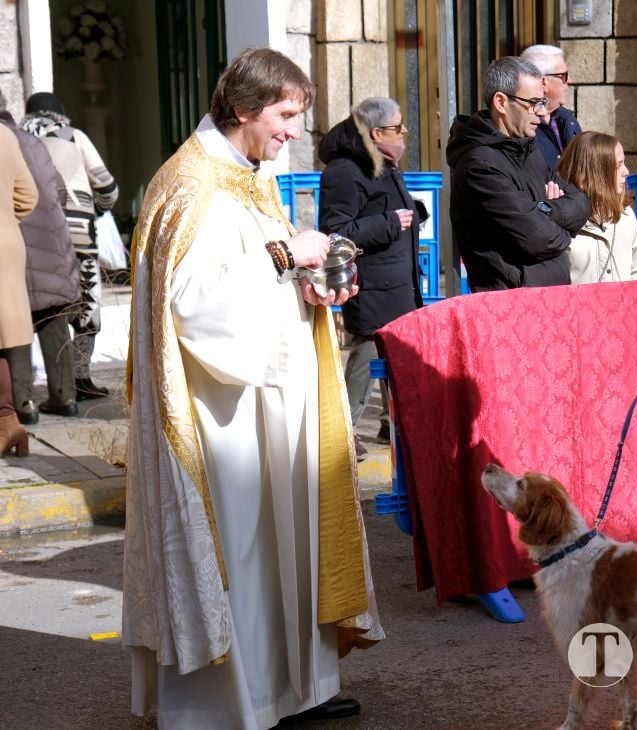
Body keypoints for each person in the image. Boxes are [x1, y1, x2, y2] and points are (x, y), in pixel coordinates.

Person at [122, 48, 384, 728]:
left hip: (274, 405)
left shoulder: (247, 172)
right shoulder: (190, 184)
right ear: (244, 109)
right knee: (242, 552)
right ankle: (233, 704)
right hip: (223, 416)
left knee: (285, 550)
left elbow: (263, 273)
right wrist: (281, 255)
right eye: (286, 115)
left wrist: (313, 281)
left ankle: (297, 689)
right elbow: (193, 308)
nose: (295, 131)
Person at [318, 96, 425, 453]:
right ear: (377, 133)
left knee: (394, 358)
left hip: (397, 283)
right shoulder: (346, 170)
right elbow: (336, 231)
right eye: (398, 127)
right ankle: (342, 433)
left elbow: (386, 208)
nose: (405, 132)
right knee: (366, 356)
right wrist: (390, 223)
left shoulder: (386, 163)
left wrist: (412, 213)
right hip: (371, 286)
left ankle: (389, 425)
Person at [447, 56, 591, 292]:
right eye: (533, 102)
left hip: (549, 295)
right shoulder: (479, 165)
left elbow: (582, 203)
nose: (542, 112)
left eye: (542, 102)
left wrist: (543, 209)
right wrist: (559, 221)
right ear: (501, 102)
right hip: (510, 305)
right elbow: (538, 238)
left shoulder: (527, 149)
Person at [21, 92, 118, 400]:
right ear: (59, 114)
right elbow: (107, 187)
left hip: (37, 237)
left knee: (52, 304)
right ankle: (80, 376)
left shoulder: (22, 142)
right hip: (78, 231)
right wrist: (100, 208)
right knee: (87, 299)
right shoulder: (73, 136)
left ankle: (54, 384)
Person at [0, 90, 79, 424]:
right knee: (54, 315)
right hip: (51, 238)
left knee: (12, 325)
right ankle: (66, 397)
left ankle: (23, 404)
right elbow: (56, 188)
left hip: (16, 240)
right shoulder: (33, 142)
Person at [556, 131, 637, 283]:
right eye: (618, 165)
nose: (626, 172)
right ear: (594, 173)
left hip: (623, 306)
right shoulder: (560, 221)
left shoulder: (625, 215)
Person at [0, 123, 38, 457]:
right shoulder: (5, 135)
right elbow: (29, 196)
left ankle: (8, 425)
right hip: (7, 244)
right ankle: (9, 425)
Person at [520, 44, 583, 168]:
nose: (569, 81)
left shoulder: (567, 118)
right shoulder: (522, 126)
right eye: (563, 76)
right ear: (543, 81)